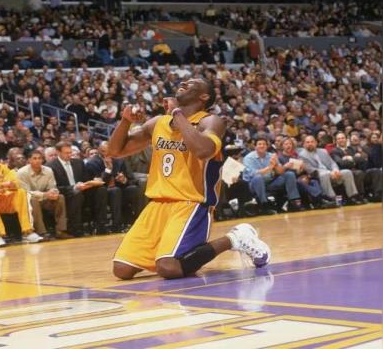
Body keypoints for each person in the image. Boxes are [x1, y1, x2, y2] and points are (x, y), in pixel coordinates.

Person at [109, 79, 270, 280]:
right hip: (158, 203)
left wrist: (177, 113)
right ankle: (172, 252)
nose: (184, 82)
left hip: (192, 203)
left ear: (204, 96)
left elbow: (203, 150)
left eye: (192, 83)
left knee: (168, 268)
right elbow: (115, 151)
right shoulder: (158, 123)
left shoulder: (210, 121)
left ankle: (235, 239)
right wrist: (126, 121)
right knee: (122, 269)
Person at [49, 141, 108, 236]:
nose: (69, 155)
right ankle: (76, 229)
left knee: (101, 190)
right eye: (66, 153)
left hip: (83, 190)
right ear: (58, 152)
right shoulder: (50, 166)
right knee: (77, 194)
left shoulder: (79, 162)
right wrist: (74, 187)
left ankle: (101, 226)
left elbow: (86, 179)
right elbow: (54, 187)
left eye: (70, 152)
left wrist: (93, 181)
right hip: (66, 194)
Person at [17, 150, 73, 239]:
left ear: (43, 160)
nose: (38, 160)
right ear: (29, 160)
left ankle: (60, 230)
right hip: (28, 201)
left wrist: (54, 192)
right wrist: (45, 194)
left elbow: (52, 186)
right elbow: (25, 192)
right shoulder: (21, 172)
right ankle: (41, 232)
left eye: (40, 158)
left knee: (60, 197)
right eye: (34, 158)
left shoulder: (48, 170)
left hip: (45, 199)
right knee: (33, 200)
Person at [86, 141, 140, 232]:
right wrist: (108, 169)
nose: (107, 154)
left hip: (118, 189)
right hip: (100, 191)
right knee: (115, 191)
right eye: (104, 151)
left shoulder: (119, 160)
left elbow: (130, 180)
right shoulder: (92, 163)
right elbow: (98, 182)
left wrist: (123, 179)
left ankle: (135, 221)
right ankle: (116, 225)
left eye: (109, 151)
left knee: (133, 189)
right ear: (99, 151)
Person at [243, 138, 303, 213]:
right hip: (254, 184)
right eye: (259, 144)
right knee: (258, 177)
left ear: (267, 146)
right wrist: (270, 167)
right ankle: (264, 204)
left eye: (264, 144)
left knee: (289, 174)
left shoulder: (271, 156)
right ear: (255, 146)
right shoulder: (248, 158)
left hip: (270, 182)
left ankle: (293, 201)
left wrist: (276, 165)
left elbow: (280, 172)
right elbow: (253, 174)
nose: (262, 146)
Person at [299, 135, 362, 205]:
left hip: (331, 173)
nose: (310, 144)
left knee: (347, 172)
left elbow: (332, 163)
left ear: (316, 143)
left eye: (312, 142)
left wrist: (335, 170)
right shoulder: (302, 155)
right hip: (316, 175)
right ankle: (331, 198)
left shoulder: (323, 151)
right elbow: (310, 169)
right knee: (325, 174)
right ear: (304, 144)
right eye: (307, 142)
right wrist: (330, 172)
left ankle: (352, 197)